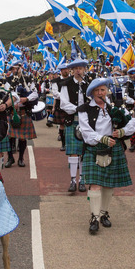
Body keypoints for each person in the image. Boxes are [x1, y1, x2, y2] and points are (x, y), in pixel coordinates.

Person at [77, 78, 135, 234]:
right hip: (94, 147)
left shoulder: (116, 107)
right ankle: (95, 218)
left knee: (109, 184)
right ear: (91, 93)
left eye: (102, 90)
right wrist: (101, 138)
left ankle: (103, 213)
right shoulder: (84, 109)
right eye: (96, 91)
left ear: (107, 91)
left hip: (113, 147)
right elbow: (86, 132)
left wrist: (123, 132)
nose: (100, 93)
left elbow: (132, 123)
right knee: (95, 184)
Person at [60, 59, 90, 192]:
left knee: (84, 152)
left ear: (84, 70)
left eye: (81, 68)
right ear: (72, 70)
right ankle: (73, 180)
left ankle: (82, 180)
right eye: (76, 68)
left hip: (87, 122)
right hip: (72, 120)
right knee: (73, 153)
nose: (78, 70)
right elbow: (64, 104)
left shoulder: (89, 85)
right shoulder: (66, 84)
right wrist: (78, 109)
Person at [5, 61, 38, 168]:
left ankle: (21, 158)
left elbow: (35, 93)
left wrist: (26, 99)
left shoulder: (28, 79)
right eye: (13, 69)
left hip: (24, 111)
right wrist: (12, 103)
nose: (14, 70)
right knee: (10, 137)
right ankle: (10, 158)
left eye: (16, 68)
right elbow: (6, 93)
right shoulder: (8, 80)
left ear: (21, 68)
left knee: (23, 138)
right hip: (12, 111)